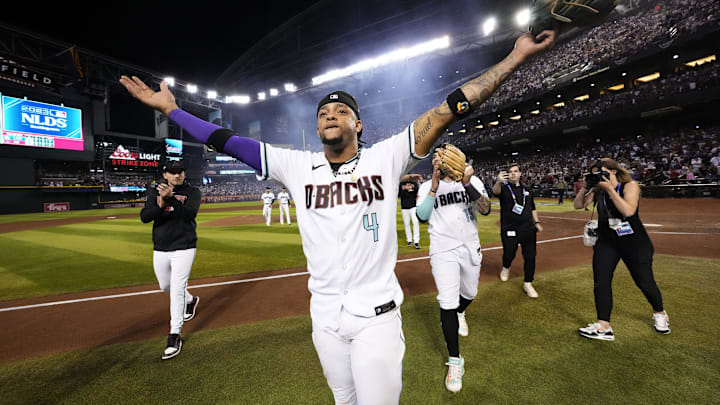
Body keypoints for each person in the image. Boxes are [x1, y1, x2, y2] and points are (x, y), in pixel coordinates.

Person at [120, 29, 555, 404]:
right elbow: (225, 139)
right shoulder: (295, 165)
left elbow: (450, 107)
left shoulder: (387, 157)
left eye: (341, 111)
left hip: (377, 316)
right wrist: (170, 112)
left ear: (359, 125)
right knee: (342, 398)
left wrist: (515, 57)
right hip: (324, 315)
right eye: (323, 113)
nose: (330, 116)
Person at [416, 146, 490, 393]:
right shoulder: (426, 187)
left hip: (470, 246)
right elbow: (423, 216)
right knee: (447, 302)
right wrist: (435, 187)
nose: (438, 159)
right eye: (435, 156)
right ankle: (455, 360)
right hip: (442, 248)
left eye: (442, 155)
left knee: (469, 293)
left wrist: (467, 183)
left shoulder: (472, 180)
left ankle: (461, 313)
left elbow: (485, 208)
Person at [573, 158, 670, 341]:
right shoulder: (597, 190)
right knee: (601, 281)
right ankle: (604, 326)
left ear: (614, 172)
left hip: (634, 243)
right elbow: (578, 205)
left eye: (602, 173)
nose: (599, 177)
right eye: (595, 174)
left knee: (644, 281)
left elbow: (628, 211)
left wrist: (610, 189)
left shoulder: (629, 186)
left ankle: (660, 313)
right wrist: (587, 186)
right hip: (607, 242)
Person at [139, 160, 201, 360]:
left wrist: (172, 199)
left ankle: (174, 335)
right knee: (165, 286)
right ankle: (190, 300)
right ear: (165, 174)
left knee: (176, 290)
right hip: (161, 247)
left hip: (185, 246)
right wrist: (161, 202)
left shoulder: (193, 192)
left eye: (180, 172)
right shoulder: (154, 191)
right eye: (173, 172)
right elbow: (145, 217)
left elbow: (189, 214)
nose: (177, 175)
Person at [492, 164, 543, 298]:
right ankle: (506, 266)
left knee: (530, 257)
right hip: (509, 228)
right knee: (509, 253)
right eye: (510, 172)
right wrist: (498, 181)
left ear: (520, 174)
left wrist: (536, 222)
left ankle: (528, 283)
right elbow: (495, 192)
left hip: (528, 228)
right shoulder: (503, 188)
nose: (513, 174)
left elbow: (532, 207)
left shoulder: (527, 189)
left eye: (515, 171)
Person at [399, 174, 422, 249]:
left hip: (413, 206)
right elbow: (400, 194)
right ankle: (409, 240)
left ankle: (416, 241)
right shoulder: (401, 184)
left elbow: (417, 192)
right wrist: (406, 188)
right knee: (407, 224)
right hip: (404, 207)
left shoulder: (414, 183)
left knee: (415, 222)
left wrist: (411, 187)